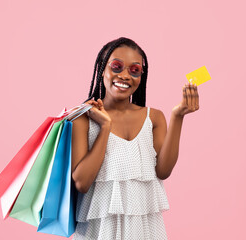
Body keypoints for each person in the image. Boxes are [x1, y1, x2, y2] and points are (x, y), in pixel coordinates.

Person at [70, 37, 199, 239]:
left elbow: (163, 171)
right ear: (102, 69)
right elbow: (82, 183)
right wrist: (105, 126)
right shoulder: (82, 118)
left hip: (144, 229)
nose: (125, 75)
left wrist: (178, 116)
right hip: (98, 231)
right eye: (117, 66)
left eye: (135, 70)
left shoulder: (154, 117)